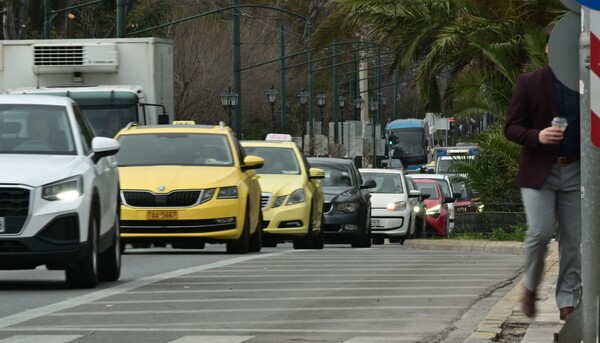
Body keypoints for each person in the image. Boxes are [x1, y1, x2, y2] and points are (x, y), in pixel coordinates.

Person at [504, 42, 581, 322]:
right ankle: (530, 288)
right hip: (539, 172)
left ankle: (568, 300)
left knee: (573, 240)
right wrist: (538, 136)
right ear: (548, 48)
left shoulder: (587, 84)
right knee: (539, 231)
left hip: (575, 169)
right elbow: (510, 127)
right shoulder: (529, 82)